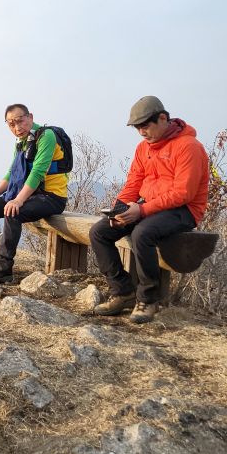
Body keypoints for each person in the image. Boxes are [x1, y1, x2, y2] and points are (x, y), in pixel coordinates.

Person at [90, 96, 209, 324]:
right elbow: (133, 183)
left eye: (145, 126)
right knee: (99, 232)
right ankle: (122, 292)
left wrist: (142, 211)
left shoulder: (189, 146)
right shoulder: (143, 148)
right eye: (137, 128)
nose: (141, 132)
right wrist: (118, 211)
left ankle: (148, 299)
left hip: (184, 210)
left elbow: (183, 193)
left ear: (162, 118)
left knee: (142, 233)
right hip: (150, 206)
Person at [0, 104, 68, 283]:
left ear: (30, 117)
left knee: (13, 212)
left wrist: (18, 200)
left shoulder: (46, 136)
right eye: (11, 124)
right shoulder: (22, 141)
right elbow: (12, 172)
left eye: (20, 121)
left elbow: (38, 172)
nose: (17, 127)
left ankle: (2, 268)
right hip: (30, 195)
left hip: (51, 197)